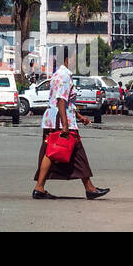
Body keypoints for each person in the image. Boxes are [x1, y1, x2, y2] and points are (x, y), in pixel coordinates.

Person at [32, 48, 109, 200]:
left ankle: (40, 187)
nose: (76, 61)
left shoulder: (57, 74)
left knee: (52, 151)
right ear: (66, 59)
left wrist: (80, 117)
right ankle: (89, 188)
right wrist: (65, 125)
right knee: (67, 151)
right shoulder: (65, 75)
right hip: (60, 121)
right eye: (74, 58)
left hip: (54, 118)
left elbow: (65, 102)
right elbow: (61, 100)